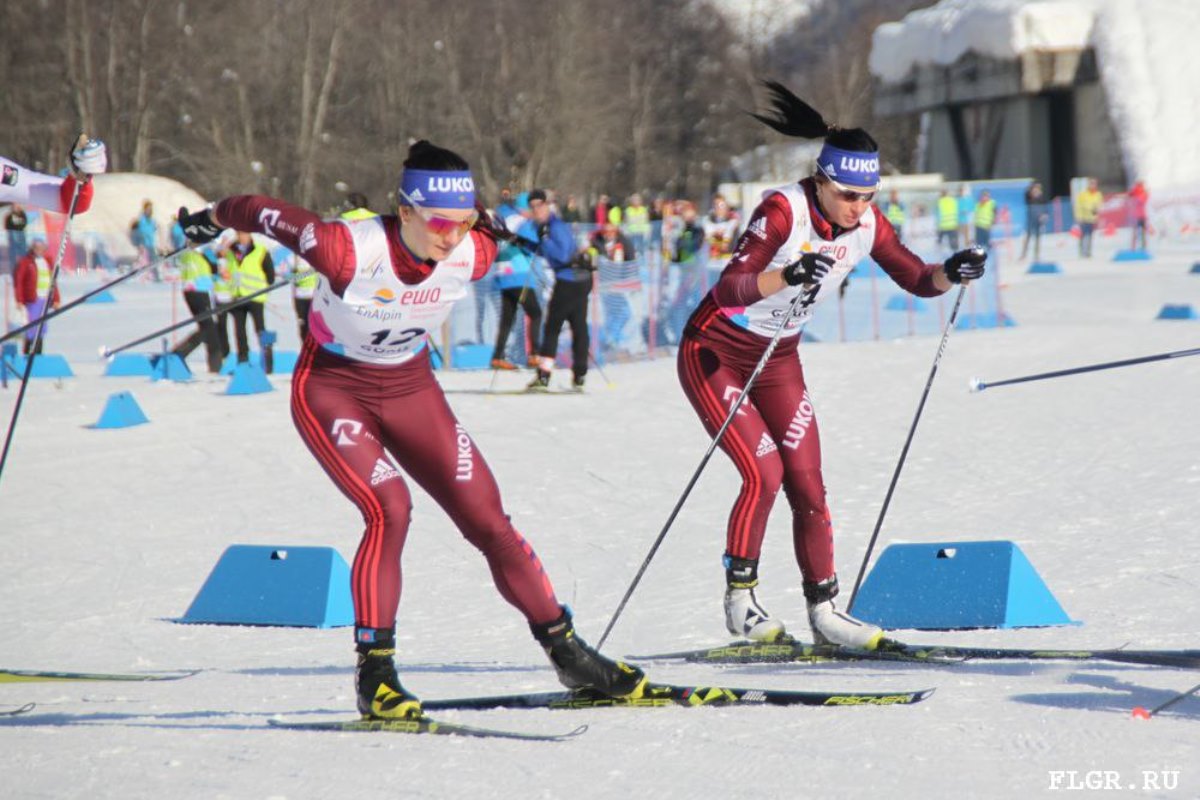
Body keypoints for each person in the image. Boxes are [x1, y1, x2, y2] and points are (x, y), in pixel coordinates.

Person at [175, 140, 646, 721]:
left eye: (465, 221)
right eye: (440, 222)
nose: (452, 236)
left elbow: (507, 238)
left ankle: (567, 650)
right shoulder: (343, 250)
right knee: (390, 507)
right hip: (333, 389)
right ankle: (376, 674)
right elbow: (256, 208)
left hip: (411, 390)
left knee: (488, 518)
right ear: (405, 212)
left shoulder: (474, 250)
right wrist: (205, 219)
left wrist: (491, 229)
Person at [677, 82, 986, 648]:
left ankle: (824, 611)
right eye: (847, 194)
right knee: (763, 473)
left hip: (779, 359)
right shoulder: (782, 211)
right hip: (716, 352)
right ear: (819, 180)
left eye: (868, 195)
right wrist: (788, 274)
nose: (858, 207)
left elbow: (918, 279)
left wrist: (952, 269)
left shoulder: (867, 225)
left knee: (809, 485)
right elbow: (728, 290)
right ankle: (740, 601)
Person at [526, 188, 592, 391]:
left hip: (570, 280)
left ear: (548, 205)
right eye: (532, 207)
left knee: (553, 326)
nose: (536, 210)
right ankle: (580, 374)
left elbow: (562, 255)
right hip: (578, 279)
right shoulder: (547, 227)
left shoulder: (555, 226)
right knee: (578, 325)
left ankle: (544, 375)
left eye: (539, 205)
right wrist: (523, 243)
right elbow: (546, 251)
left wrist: (544, 240)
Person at [490, 194, 542, 370]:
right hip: (520, 275)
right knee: (535, 313)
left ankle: (497, 356)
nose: (534, 212)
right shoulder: (522, 222)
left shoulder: (502, 219)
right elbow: (535, 244)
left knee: (507, 318)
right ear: (524, 208)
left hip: (502, 273)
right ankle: (535, 354)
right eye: (532, 208)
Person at [223, 230, 276, 371]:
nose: (241, 237)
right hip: (237, 296)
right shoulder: (231, 251)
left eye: (244, 233)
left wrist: (263, 287)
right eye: (239, 234)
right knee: (239, 332)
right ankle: (243, 363)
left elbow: (270, 275)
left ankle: (268, 363)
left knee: (260, 330)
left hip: (255, 297)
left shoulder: (260, 251)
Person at [171, 248, 224, 373]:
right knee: (208, 328)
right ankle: (179, 354)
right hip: (199, 290)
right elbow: (214, 269)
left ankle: (215, 366)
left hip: (189, 291)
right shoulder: (206, 249)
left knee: (208, 327)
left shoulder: (186, 249)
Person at [13, 239, 60, 355]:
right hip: (32, 299)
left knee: (42, 327)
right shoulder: (26, 262)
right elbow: (18, 281)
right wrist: (19, 300)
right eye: (36, 248)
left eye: (41, 248)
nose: (39, 250)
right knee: (32, 327)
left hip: (45, 299)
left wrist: (56, 299)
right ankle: (28, 352)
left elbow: (53, 282)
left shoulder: (47, 262)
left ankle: (39, 353)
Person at [1075, 178, 1103, 258]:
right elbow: (1079, 206)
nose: (1093, 185)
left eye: (1094, 184)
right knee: (1085, 235)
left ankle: (1088, 251)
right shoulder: (1083, 194)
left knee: (1090, 235)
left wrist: (1097, 211)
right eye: (1091, 184)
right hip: (1084, 218)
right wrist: (1078, 217)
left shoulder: (1098, 194)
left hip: (1093, 218)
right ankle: (1084, 252)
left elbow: (1100, 205)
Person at [1019, 181, 1046, 260]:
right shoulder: (1029, 196)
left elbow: (1044, 207)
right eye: (1035, 188)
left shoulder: (1041, 197)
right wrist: (1032, 191)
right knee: (1028, 237)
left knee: (1038, 238)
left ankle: (1036, 255)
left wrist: (1044, 215)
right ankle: (1024, 254)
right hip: (1031, 219)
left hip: (1038, 219)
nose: (1037, 190)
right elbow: (1026, 197)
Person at [4, 204, 28, 275]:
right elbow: (7, 225)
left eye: (17, 207)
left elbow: (24, 223)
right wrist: (13, 229)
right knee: (13, 252)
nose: (16, 208)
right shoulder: (9, 216)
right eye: (14, 207)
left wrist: (19, 228)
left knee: (22, 252)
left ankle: (24, 268)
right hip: (13, 233)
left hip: (21, 233)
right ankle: (13, 270)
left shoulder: (22, 214)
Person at [1127, 180, 1149, 251]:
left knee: (1139, 233)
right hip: (1139, 216)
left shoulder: (1140, 193)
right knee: (1139, 233)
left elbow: (1141, 200)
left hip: (1139, 216)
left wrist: (1135, 193)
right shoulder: (1140, 193)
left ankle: (1139, 247)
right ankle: (1137, 248)